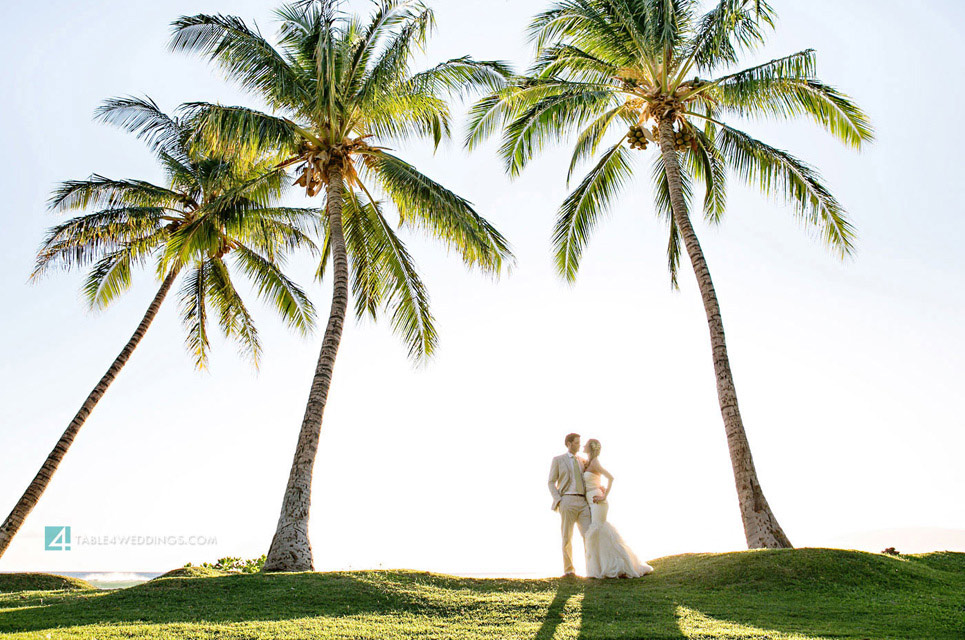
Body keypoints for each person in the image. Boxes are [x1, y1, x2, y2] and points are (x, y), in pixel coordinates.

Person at [582, 438, 654, 579]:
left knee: (598, 530)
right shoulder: (589, 462)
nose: (583, 446)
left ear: (590, 448)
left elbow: (611, 477)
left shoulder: (595, 462)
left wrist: (604, 495)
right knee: (598, 534)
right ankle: (602, 566)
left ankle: (619, 565)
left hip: (598, 501)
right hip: (591, 500)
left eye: (585, 445)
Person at [547, 433, 591, 577]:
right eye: (577, 443)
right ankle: (569, 570)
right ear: (569, 443)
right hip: (567, 500)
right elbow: (551, 482)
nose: (579, 445)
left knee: (589, 535)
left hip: (583, 502)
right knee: (567, 537)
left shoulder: (582, 461)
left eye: (580, 442)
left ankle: (591, 569)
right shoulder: (558, 460)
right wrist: (559, 499)